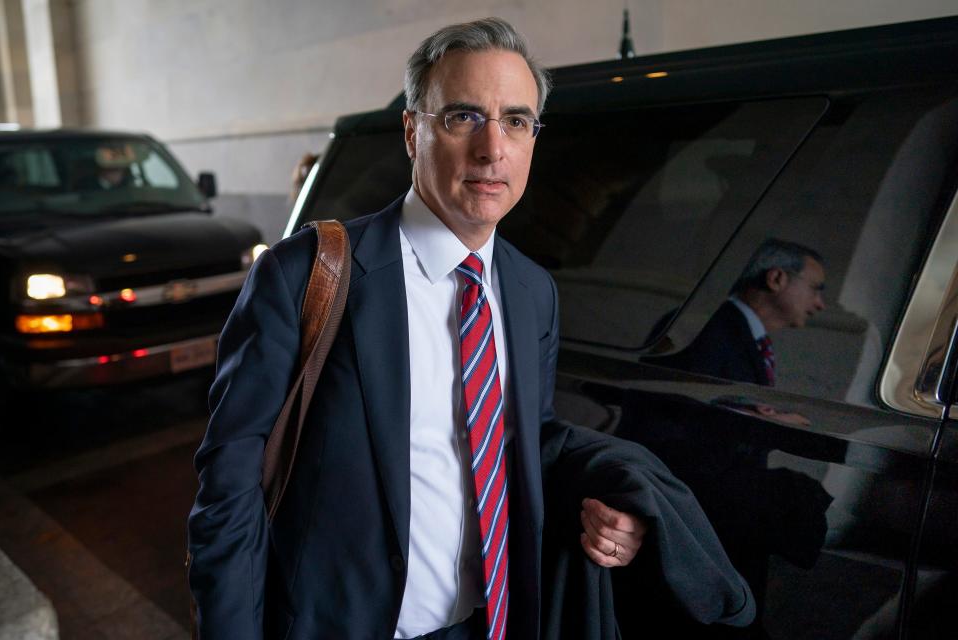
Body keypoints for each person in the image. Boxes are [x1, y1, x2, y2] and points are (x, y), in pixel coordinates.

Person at [188, 18, 752, 640]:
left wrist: (608, 498)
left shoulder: (531, 290)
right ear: (412, 132)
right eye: (463, 117)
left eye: (515, 121)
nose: (492, 149)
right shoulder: (306, 276)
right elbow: (229, 489)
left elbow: (519, 443)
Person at [653, 239, 826, 386]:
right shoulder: (702, 327)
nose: (820, 304)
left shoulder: (749, 337)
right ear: (776, 279)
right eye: (815, 289)